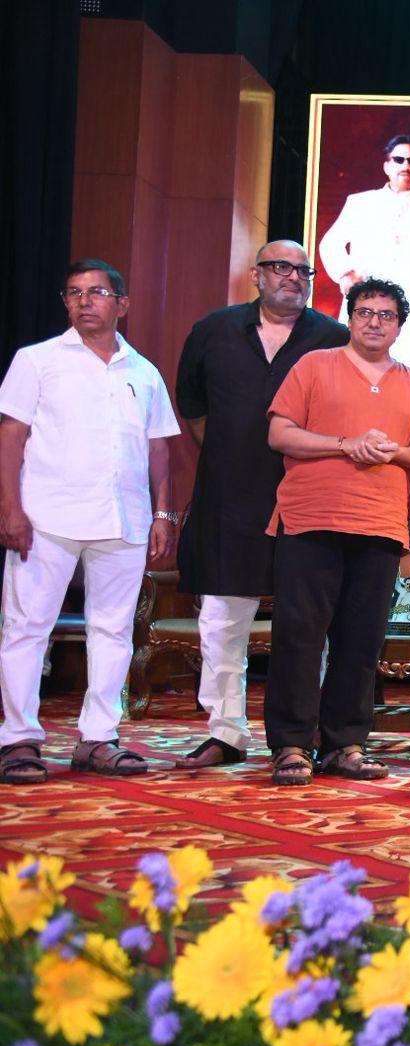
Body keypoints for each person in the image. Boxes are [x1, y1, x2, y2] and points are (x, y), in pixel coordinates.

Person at [0, 260, 180, 785]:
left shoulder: (143, 371)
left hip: (124, 519)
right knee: (27, 628)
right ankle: (18, 739)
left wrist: (163, 513)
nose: (84, 301)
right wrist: (10, 508)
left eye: (97, 292)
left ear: (121, 304)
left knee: (114, 630)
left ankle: (99, 738)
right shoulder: (37, 360)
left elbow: (159, 449)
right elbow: (11, 436)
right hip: (46, 516)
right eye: (74, 292)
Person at [172, 240, 349, 770]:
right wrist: (234, 457)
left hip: (308, 499)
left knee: (309, 626)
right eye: (280, 267)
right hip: (228, 501)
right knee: (222, 621)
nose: (293, 277)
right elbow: (194, 408)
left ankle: (303, 731)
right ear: (257, 275)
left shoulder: (332, 337)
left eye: (303, 271)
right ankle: (225, 732)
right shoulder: (214, 330)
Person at [262, 278, 410, 786]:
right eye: (365, 312)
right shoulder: (313, 365)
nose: (374, 322)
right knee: (299, 636)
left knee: (360, 642)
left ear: (399, 326)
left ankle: (345, 744)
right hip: (310, 518)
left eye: (386, 315)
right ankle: (292, 745)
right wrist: (346, 444)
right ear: (349, 317)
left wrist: (392, 452)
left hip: (379, 524)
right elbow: (279, 433)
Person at [318, 134, 410, 371]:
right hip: (368, 297)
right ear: (386, 165)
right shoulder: (360, 203)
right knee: (357, 370)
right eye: (399, 160)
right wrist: (346, 274)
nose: (405, 166)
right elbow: (330, 244)